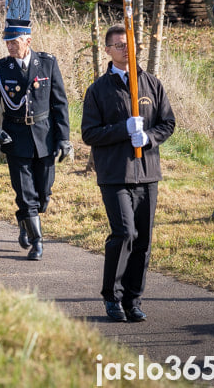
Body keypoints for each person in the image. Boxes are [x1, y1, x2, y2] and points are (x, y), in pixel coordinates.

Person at [82, 24, 176, 323]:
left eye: (130, 44)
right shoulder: (99, 89)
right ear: (108, 50)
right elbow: (89, 133)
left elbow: (167, 122)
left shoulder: (150, 84)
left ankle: (133, 299)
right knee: (124, 233)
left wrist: (148, 137)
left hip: (147, 172)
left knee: (144, 240)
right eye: (120, 45)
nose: (126, 49)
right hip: (116, 173)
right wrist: (122, 130)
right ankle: (112, 296)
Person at [0, 19, 70, 261]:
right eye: (7, 42)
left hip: (45, 137)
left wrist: (64, 139)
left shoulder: (47, 63)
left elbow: (59, 103)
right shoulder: (0, 69)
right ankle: (37, 242)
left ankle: (25, 221)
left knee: (43, 195)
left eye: (15, 41)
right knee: (25, 193)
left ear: (28, 41)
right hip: (15, 138)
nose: (10, 46)